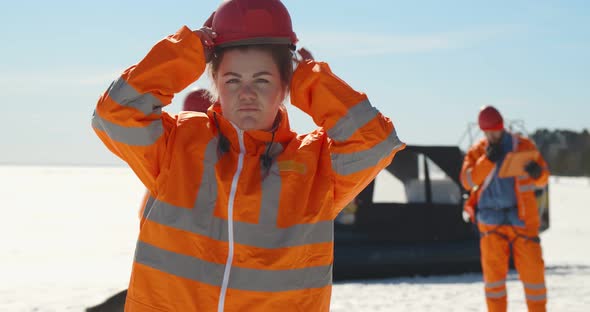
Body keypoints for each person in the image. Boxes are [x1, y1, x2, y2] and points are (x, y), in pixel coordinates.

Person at [91, 0, 404, 310]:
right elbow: (114, 115)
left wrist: (309, 77)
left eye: (263, 80)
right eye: (232, 80)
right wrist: (186, 52)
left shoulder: (316, 165)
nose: (247, 93)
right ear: (215, 84)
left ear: (286, 87)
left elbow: (375, 142)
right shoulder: (178, 145)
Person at [461, 105, 549, 312]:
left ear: (502, 127)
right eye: (487, 132)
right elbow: (467, 180)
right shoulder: (477, 151)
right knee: (494, 285)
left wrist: (537, 173)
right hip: (491, 222)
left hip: (522, 221)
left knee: (534, 280)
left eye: (495, 131)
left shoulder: (524, 146)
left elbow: (544, 176)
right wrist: (487, 161)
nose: (491, 136)